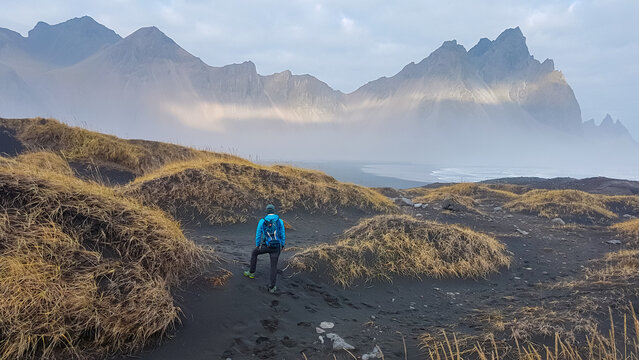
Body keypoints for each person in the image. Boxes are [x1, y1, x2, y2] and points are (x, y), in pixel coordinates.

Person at [243, 204, 285, 293]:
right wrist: (282, 244)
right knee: (273, 267)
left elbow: (258, 234)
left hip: (266, 246)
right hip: (276, 247)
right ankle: (272, 287)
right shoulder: (280, 221)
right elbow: (282, 234)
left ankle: (251, 273)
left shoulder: (262, 221)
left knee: (254, 253)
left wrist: (258, 245)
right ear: (274, 211)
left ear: (267, 211)